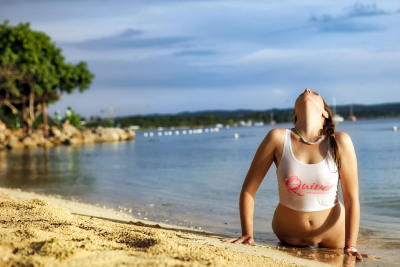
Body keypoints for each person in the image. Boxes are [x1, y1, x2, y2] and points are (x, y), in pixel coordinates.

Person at [223, 88, 370, 262]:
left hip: (334, 234)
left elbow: (351, 198)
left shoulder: (339, 141)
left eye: (314, 93)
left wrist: (351, 245)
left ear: (325, 113)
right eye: (302, 93)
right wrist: (247, 233)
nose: (307, 90)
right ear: (295, 114)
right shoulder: (277, 138)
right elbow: (249, 190)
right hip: (289, 234)